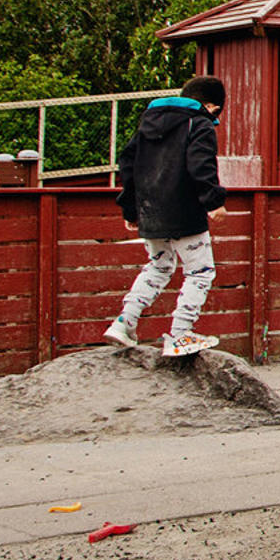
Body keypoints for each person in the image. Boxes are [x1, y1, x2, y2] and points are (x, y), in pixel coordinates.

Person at [104, 75, 229, 357]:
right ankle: (180, 334)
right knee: (200, 272)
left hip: (150, 212)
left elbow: (127, 163)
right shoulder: (199, 124)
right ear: (211, 106)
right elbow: (201, 163)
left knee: (158, 267)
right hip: (185, 212)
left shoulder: (148, 121)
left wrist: (130, 208)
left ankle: (124, 322)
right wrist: (214, 201)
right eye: (217, 113)